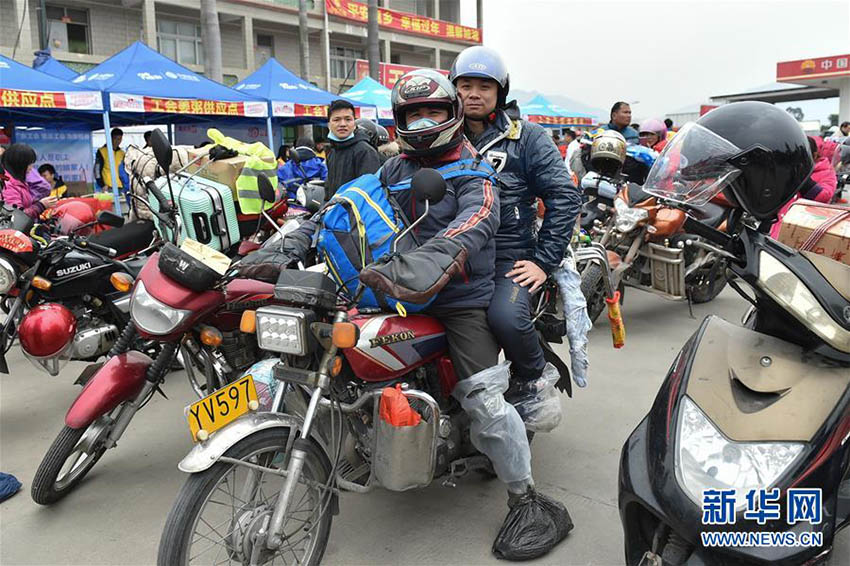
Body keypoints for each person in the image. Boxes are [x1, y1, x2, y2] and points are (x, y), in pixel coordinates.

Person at [270, 69, 570, 560]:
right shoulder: (392, 169)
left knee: (485, 402)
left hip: (457, 301)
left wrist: (427, 263)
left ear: (451, 114)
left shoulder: (476, 173)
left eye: (433, 111)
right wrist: (288, 245)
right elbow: (342, 205)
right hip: (390, 288)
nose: (424, 121)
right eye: (414, 113)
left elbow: (474, 222)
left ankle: (525, 497)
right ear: (399, 120)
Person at [451, 46, 580, 408]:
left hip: (508, 257)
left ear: (499, 93)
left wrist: (543, 260)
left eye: (484, 86)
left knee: (506, 319)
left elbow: (564, 198)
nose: (473, 94)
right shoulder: (441, 135)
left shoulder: (527, 138)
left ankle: (532, 383)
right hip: (448, 256)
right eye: (465, 85)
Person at [324, 100, 381, 199]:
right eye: (336, 120)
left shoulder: (364, 151)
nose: (342, 124)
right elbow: (329, 190)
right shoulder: (332, 152)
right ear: (329, 124)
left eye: (348, 119)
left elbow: (369, 193)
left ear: (354, 123)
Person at [1, 144, 57, 218]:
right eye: (29, 164)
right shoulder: (7, 185)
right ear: (20, 164)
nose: (31, 168)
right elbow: (15, 217)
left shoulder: (19, 181)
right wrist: (41, 205)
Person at [95, 128, 125, 193]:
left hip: (121, 187)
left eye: (119, 139)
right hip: (107, 187)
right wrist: (102, 185)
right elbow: (97, 170)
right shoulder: (101, 151)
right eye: (115, 139)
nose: (117, 141)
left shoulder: (122, 153)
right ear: (110, 138)